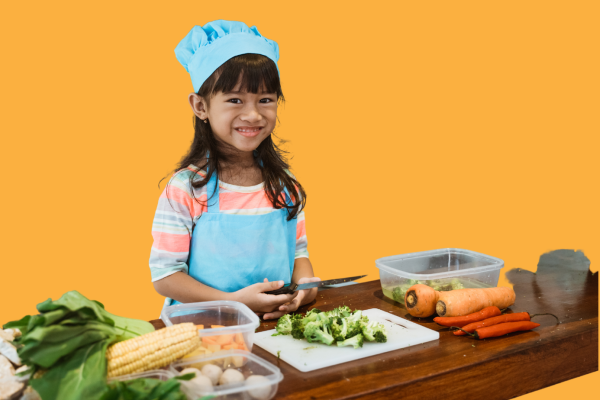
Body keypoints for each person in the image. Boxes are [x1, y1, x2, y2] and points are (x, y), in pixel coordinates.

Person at [150, 20, 319, 320]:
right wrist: (233, 302)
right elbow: (166, 277)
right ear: (200, 106)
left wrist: (305, 291)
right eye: (235, 100)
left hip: (272, 329)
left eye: (265, 100)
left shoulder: (284, 184)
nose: (253, 114)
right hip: (204, 330)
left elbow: (299, 256)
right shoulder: (187, 188)